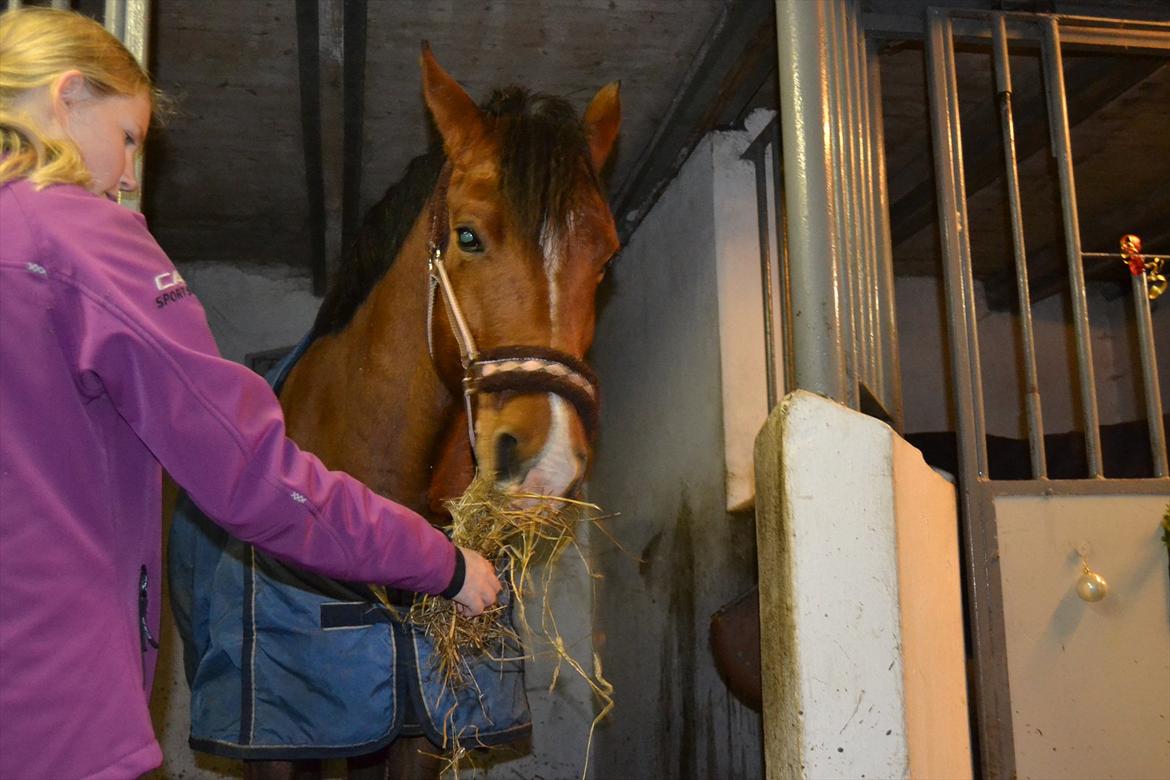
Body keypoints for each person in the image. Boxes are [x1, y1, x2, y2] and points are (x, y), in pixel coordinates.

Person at [0, 8, 501, 779]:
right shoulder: (84, 240)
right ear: (67, 100)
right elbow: (254, 478)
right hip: (55, 719)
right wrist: (444, 564)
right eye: (129, 138)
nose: (131, 177)